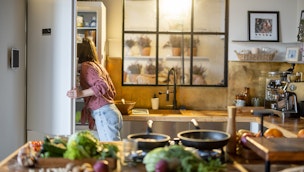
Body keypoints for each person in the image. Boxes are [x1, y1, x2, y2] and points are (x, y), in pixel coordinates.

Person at [66, 38, 123, 141]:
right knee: (110, 149)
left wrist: (80, 94)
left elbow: (103, 85)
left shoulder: (86, 66)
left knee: (111, 152)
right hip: (110, 111)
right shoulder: (97, 66)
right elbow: (112, 91)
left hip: (104, 113)